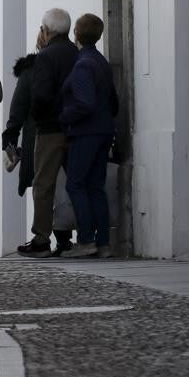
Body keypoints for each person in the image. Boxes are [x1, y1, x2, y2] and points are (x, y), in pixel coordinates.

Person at [17, 9, 79, 258]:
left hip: (51, 129)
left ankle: (41, 238)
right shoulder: (77, 53)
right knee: (76, 183)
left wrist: (38, 118)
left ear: (46, 30)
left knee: (43, 184)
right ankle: (75, 238)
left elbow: (41, 95)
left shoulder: (45, 56)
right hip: (76, 128)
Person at [2, 44, 74, 255]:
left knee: (44, 187)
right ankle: (65, 239)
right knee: (67, 187)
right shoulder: (74, 60)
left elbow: (19, 106)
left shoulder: (31, 70)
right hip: (73, 131)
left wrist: (11, 138)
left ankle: (43, 239)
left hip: (42, 134)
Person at [59, 14, 120, 259]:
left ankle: (86, 240)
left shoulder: (83, 64)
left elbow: (85, 103)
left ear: (76, 33)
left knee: (75, 184)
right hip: (104, 130)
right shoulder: (101, 62)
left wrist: (64, 116)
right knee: (96, 186)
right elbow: (113, 101)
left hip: (86, 133)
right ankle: (103, 243)